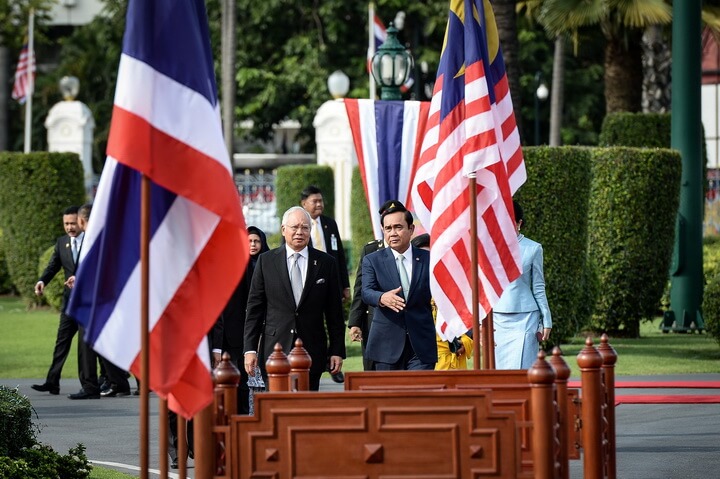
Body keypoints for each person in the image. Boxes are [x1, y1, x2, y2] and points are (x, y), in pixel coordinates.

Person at [243, 206, 346, 391]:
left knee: (306, 412)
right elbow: (254, 309)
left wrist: (337, 350)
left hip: (312, 349)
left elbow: (334, 312)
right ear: (284, 230)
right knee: (275, 409)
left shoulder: (326, 263)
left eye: (305, 227)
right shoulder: (266, 261)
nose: (300, 232)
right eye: (294, 227)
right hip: (275, 351)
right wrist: (250, 349)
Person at [361, 202, 437, 370]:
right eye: (388, 228)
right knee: (390, 395)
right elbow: (366, 292)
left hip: (421, 346)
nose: (393, 233)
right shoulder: (372, 260)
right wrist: (381, 297)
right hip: (386, 347)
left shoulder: (428, 259)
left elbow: (444, 295)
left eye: (398, 227)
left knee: (419, 395)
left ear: (411, 229)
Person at [32, 206, 85, 397]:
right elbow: (53, 265)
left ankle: (100, 382)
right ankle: (52, 382)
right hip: (69, 302)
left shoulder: (91, 240)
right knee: (61, 341)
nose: (69, 227)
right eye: (66, 224)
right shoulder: (62, 242)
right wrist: (42, 281)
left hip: (88, 302)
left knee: (87, 346)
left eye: (72, 223)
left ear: (80, 221)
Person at [493, 200, 552, 370]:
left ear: (519, 223)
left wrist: (546, 319)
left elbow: (539, 287)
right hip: (497, 318)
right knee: (498, 369)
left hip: (526, 318)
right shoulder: (490, 247)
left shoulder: (533, 248)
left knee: (524, 367)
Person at [300, 185, 349, 383]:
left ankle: (334, 362)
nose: (319, 204)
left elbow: (339, 255)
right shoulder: (299, 225)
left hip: (331, 279)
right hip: (309, 284)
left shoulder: (329, 224)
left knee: (335, 320)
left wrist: (344, 284)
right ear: (304, 204)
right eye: (315, 201)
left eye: (321, 201)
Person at [348, 199, 403, 371]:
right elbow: (360, 288)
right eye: (387, 225)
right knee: (372, 369)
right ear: (382, 227)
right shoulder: (371, 250)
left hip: (402, 320)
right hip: (374, 319)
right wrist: (355, 322)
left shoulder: (409, 249)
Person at [220, 225, 269, 414]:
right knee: (238, 382)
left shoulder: (268, 263)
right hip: (236, 333)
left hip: (264, 332)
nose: (253, 245)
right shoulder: (235, 265)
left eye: (257, 241)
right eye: (249, 241)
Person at [410, 233, 473, 370]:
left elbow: (470, 323)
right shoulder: (407, 289)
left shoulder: (455, 287)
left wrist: (464, 343)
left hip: (452, 363)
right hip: (420, 364)